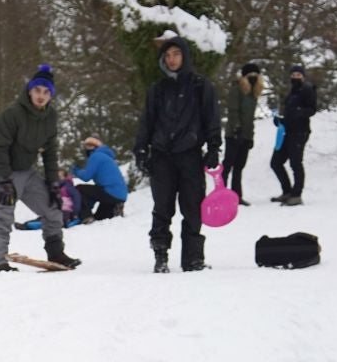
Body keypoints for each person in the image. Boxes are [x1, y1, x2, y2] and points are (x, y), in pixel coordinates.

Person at [134, 35, 220, 273]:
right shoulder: (157, 90)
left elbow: (211, 119)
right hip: (162, 155)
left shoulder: (201, 86)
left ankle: (193, 258)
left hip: (190, 154)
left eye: (176, 54)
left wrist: (214, 147)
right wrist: (141, 150)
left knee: (193, 206)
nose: (172, 60)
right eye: (168, 55)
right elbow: (147, 122)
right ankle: (160, 255)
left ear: (185, 56)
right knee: (162, 207)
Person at [0, 64, 80, 272]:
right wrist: (4, 181)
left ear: (51, 95)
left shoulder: (51, 117)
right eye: (37, 90)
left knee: (53, 208)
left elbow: (50, 152)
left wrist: (53, 184)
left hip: (28, 173)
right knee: (4, 214)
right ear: (30, 90)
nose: (41, 96)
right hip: (6, 171)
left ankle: (56, 252)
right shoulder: (12, 114)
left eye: (46, 92)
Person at [270, 64, 317, 206]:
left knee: (296, 163)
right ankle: (287, 191)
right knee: (276, 163)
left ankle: (297, 195)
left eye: (298, 75)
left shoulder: (307, 90)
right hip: (287, 132)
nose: (295, 77)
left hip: (299, 132)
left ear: (303, 76)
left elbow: (312, 109)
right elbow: (289, 113)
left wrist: (299, 112)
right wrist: (280, 120)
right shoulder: (291, 92)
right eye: (293, 74)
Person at [223, 63, 263, 205]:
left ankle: (236, 195)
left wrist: (250, 136)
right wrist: (236, 129)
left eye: (255, 75)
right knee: (228, 165)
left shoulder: (253, 93)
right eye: (249, 75)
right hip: (234, 134)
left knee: (239, 166)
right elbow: (233, 110)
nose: (252, 77)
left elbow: (250, 118)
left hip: (245, 135)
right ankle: (221, 193)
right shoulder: (237, 89)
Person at [70, 136, 129, 221]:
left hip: (110, 192)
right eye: (86, 146)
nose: (87, 148)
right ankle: (115, 207)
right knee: (100, 218)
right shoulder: (106, 156)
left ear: (95, 146)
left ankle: (86, 216)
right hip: (119, 194)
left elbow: (86, 177)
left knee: (80, 188)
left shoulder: (96, 156)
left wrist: (75, 170)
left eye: (90, 145)